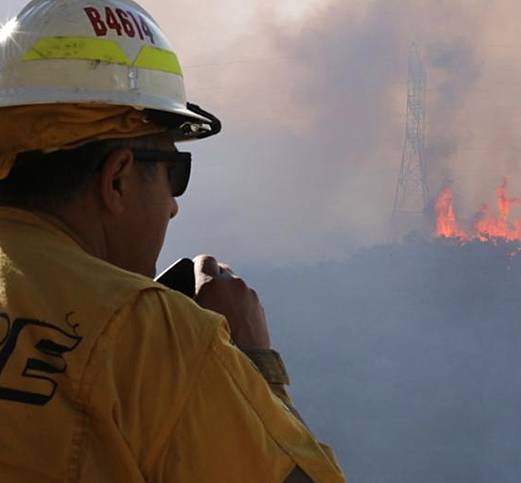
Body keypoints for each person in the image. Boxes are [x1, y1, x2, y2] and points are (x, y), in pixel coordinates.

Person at [0, 1, 345, 482]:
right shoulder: (154, 336)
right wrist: (252, 363)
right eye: (174, 173)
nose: (173, 205)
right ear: (117, 178)